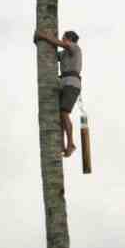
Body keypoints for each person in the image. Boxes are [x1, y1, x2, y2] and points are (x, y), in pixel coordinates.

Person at [33, 29, 82, 157]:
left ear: (68, 39)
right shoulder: (64, 53)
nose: (62, 39)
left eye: (63, 38)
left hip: (72, 83)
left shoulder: (75, 48)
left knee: (64, 112)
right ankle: (61, 144)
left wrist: (43, 35)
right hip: (64, 84)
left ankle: (70, 143)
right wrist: (38, 41)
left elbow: (59, 43)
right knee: (60, 115)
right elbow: (50, 53)